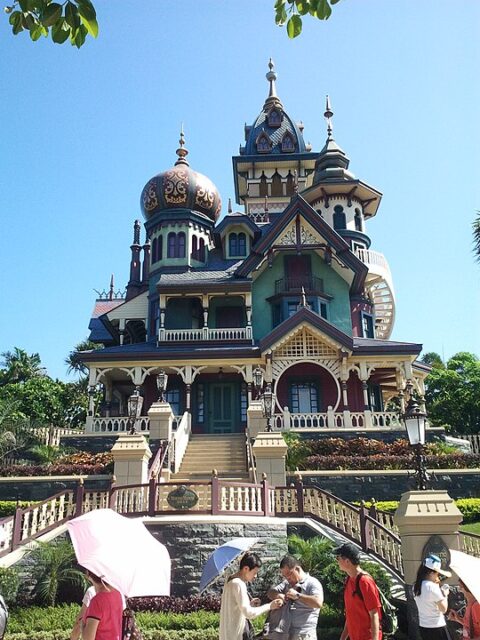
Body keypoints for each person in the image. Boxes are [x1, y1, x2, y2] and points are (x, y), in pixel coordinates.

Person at [219, 552, 283, 640]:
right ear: (246, 568)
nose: (256, 576)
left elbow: (234, 607)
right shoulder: (239, 584)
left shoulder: (230, 580)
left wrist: (249, 604)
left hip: (227, 634)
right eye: (255, 573)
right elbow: (249, 613)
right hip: (237, 635)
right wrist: (270, 606)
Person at [266, 554, 324, 640]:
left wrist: (297, 596)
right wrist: (278, 595)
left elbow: (318, 603)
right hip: (286, 634)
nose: (287, 578)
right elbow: (270, 592)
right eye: (285, 576)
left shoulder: (312, 583)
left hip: (303, 635)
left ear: (297, 569)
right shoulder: (286, 583)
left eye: (289, 574)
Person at [334, 542, 382, 640]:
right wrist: (343, 637)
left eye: (338, 558)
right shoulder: (348, 580)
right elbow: (350, 614)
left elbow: (374, 614)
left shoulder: (365, 581)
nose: (336, 561)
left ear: (347, 561)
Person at [413, 554, 452, 640]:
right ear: (431, 572)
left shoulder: (416, 586)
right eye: (437, 573)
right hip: (437, 627)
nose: (437, 576)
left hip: (423, 626)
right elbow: (443, 609)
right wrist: (445, 594)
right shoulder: (432, 587)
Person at [82, 569, 124, 640]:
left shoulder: (97, 601)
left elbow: (88, 638)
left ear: (88, 575)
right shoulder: (117, 594)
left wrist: (82, 625)